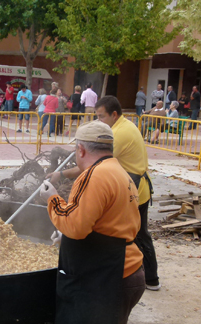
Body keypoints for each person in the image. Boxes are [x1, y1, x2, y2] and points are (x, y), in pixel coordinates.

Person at [40, 120, 152, 324]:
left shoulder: (93, 176)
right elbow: (105, 221)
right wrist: (68, 230)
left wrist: (51, 198)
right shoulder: (120, 172)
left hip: (113, 275)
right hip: (125, 270)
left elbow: (76, 226)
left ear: (80, 149)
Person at [49, 96, 160, 290]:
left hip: (132, 186)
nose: (98, 120)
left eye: (101, 117)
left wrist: (60, 176)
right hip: (128, 185)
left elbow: (92, 163)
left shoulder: (117, 135)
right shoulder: (122, 126)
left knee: (136, 235)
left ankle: (148, 278)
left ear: (114, 114)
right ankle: (142, 277)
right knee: (130, 234)